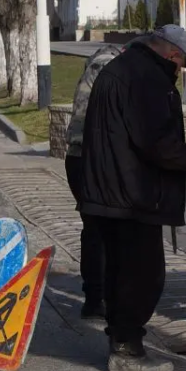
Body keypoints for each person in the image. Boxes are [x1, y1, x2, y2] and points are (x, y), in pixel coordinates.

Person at [79, 25, 186, 371]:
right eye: (181, 65)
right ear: (173, 56)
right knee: (143, 276)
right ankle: (127, 350)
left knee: (118, 271)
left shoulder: (120, 68)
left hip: (110, 191)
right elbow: (158, 143)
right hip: (133, 195)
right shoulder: (146, 80)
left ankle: (122, 342)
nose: (179, 72)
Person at [64, 43, 122, 319]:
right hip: (90, 157)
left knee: (97, 229)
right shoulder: (108, 65)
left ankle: (97, 296)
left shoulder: (101, 61)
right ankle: (99, 296)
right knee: (101, 230)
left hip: (85, 156)